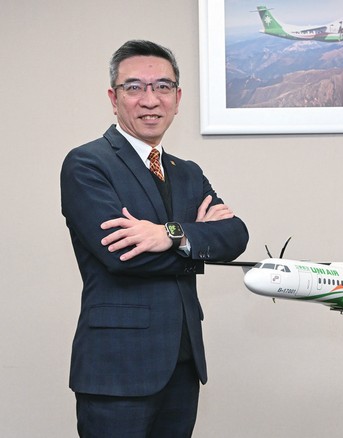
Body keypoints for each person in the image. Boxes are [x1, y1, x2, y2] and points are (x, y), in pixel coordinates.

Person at [60, 40, 249, 437]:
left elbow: (235, 235)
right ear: (113, 98)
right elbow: (122, 256)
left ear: (177, 99)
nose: (150, 99)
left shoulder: (186, 172)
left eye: (163, 87)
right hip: (118, 370)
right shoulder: (87, 163)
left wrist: (168, 234)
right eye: (134, 87)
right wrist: (196, 245)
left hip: (183, 363)